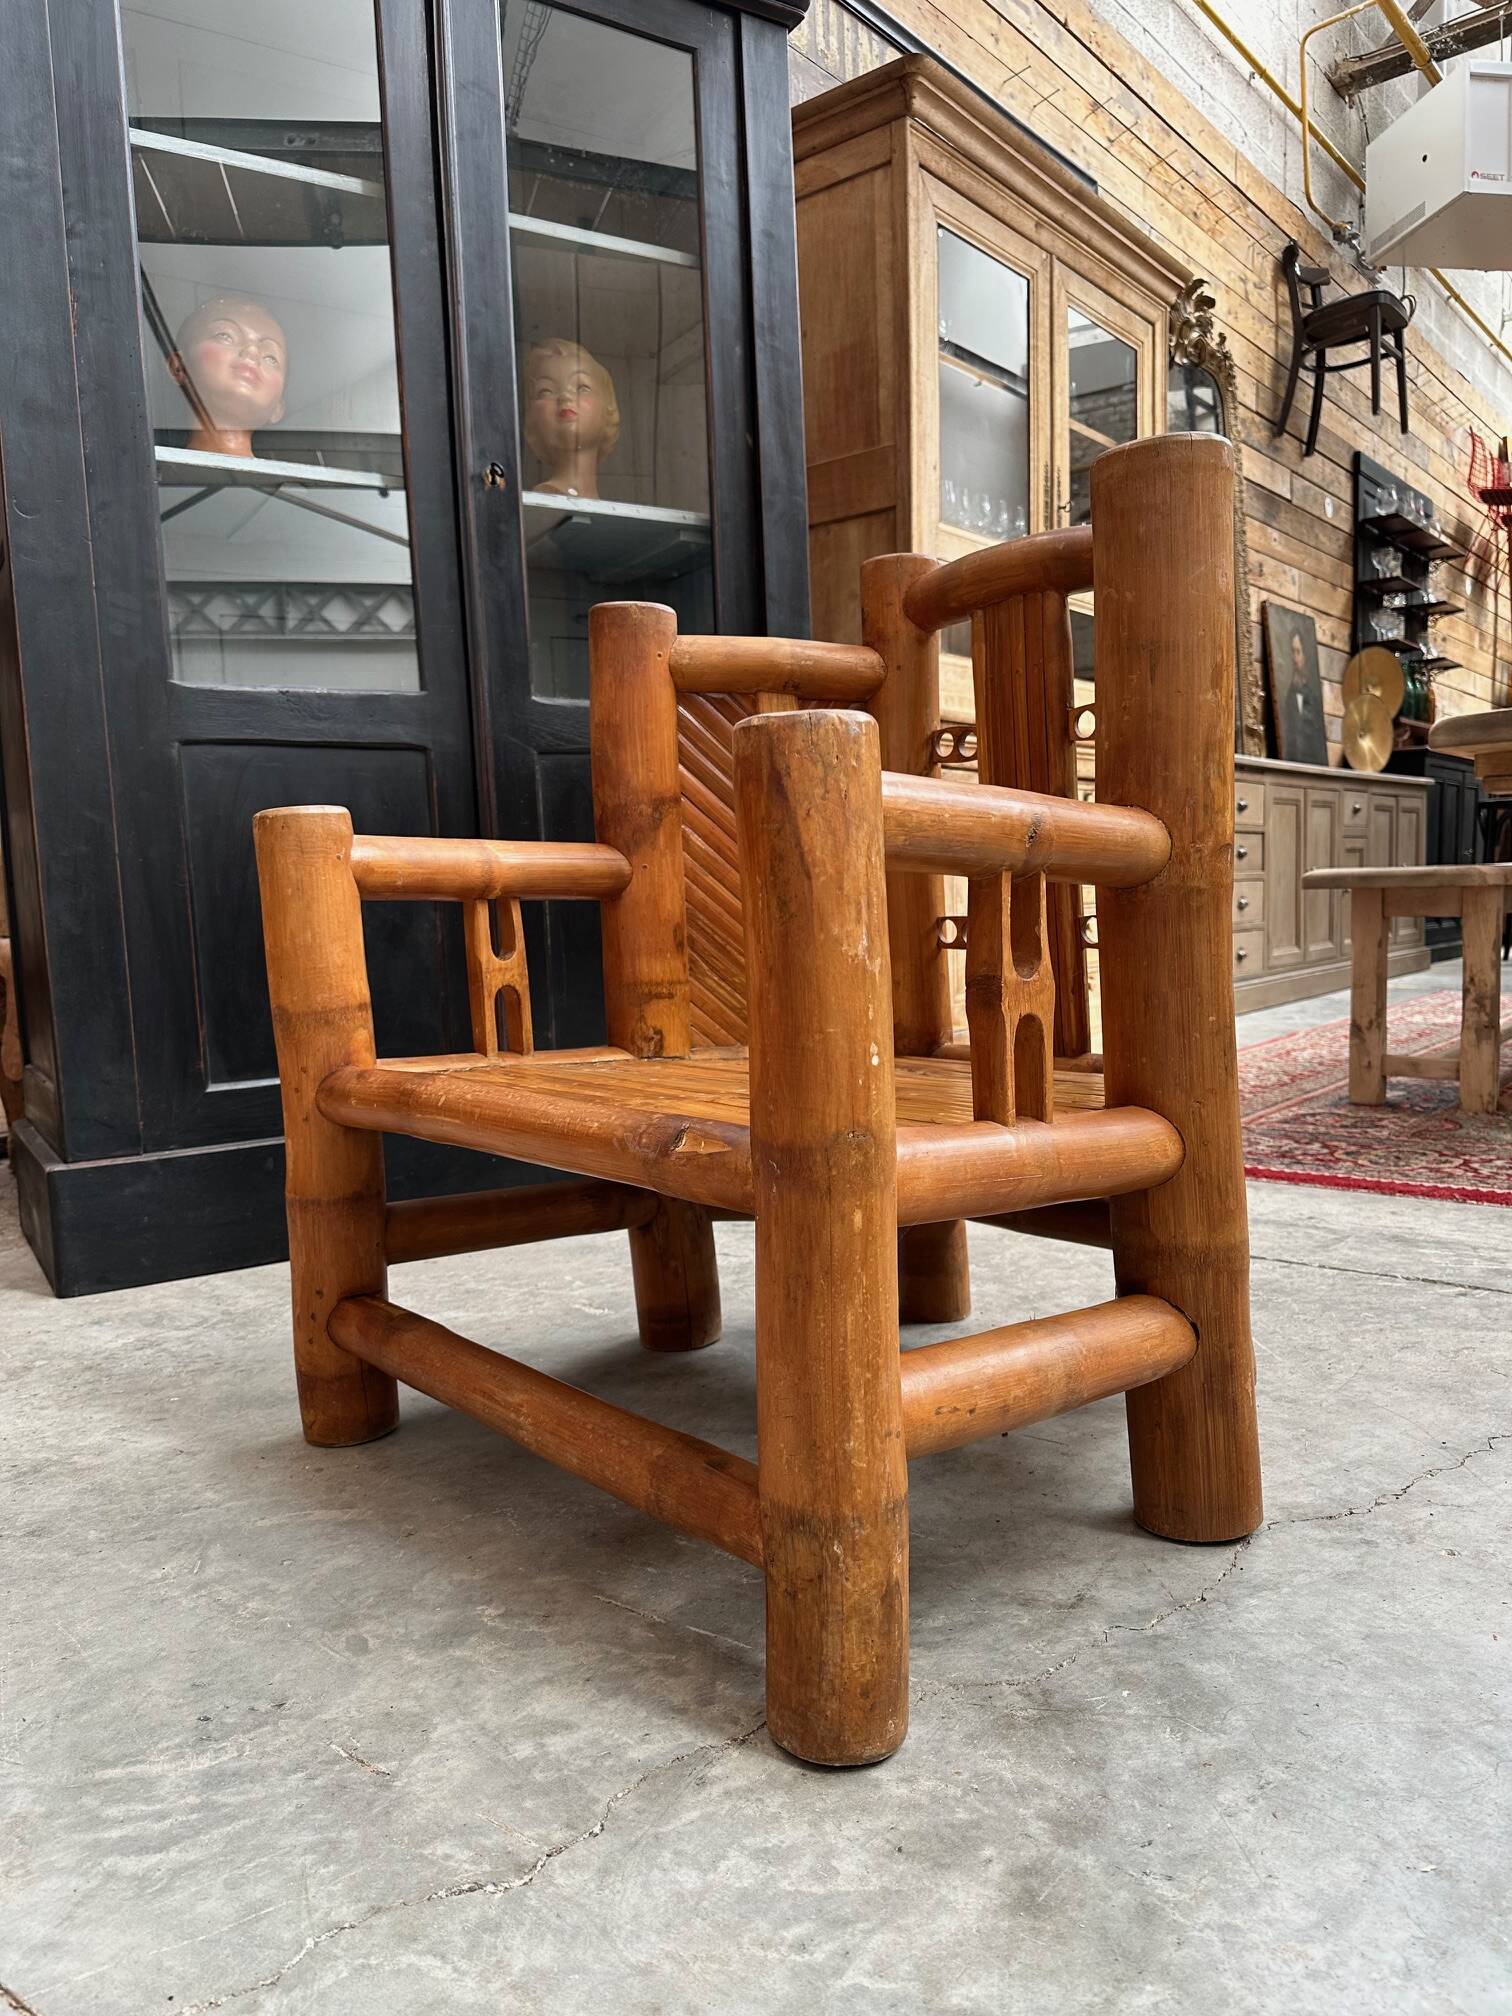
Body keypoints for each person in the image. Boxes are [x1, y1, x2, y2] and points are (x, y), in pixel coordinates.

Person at [169, 296, 288, 458]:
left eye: (270, 358)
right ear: (179, 367)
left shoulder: (290, 483)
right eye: (225, 336)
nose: (252, 352)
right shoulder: (149, 475)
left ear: (278, 408)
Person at [521, 337, 620, 499]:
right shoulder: (547, 497)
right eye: (546, 391)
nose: (565, 397)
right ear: (532, 418)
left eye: (581, 387)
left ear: (608, 407)